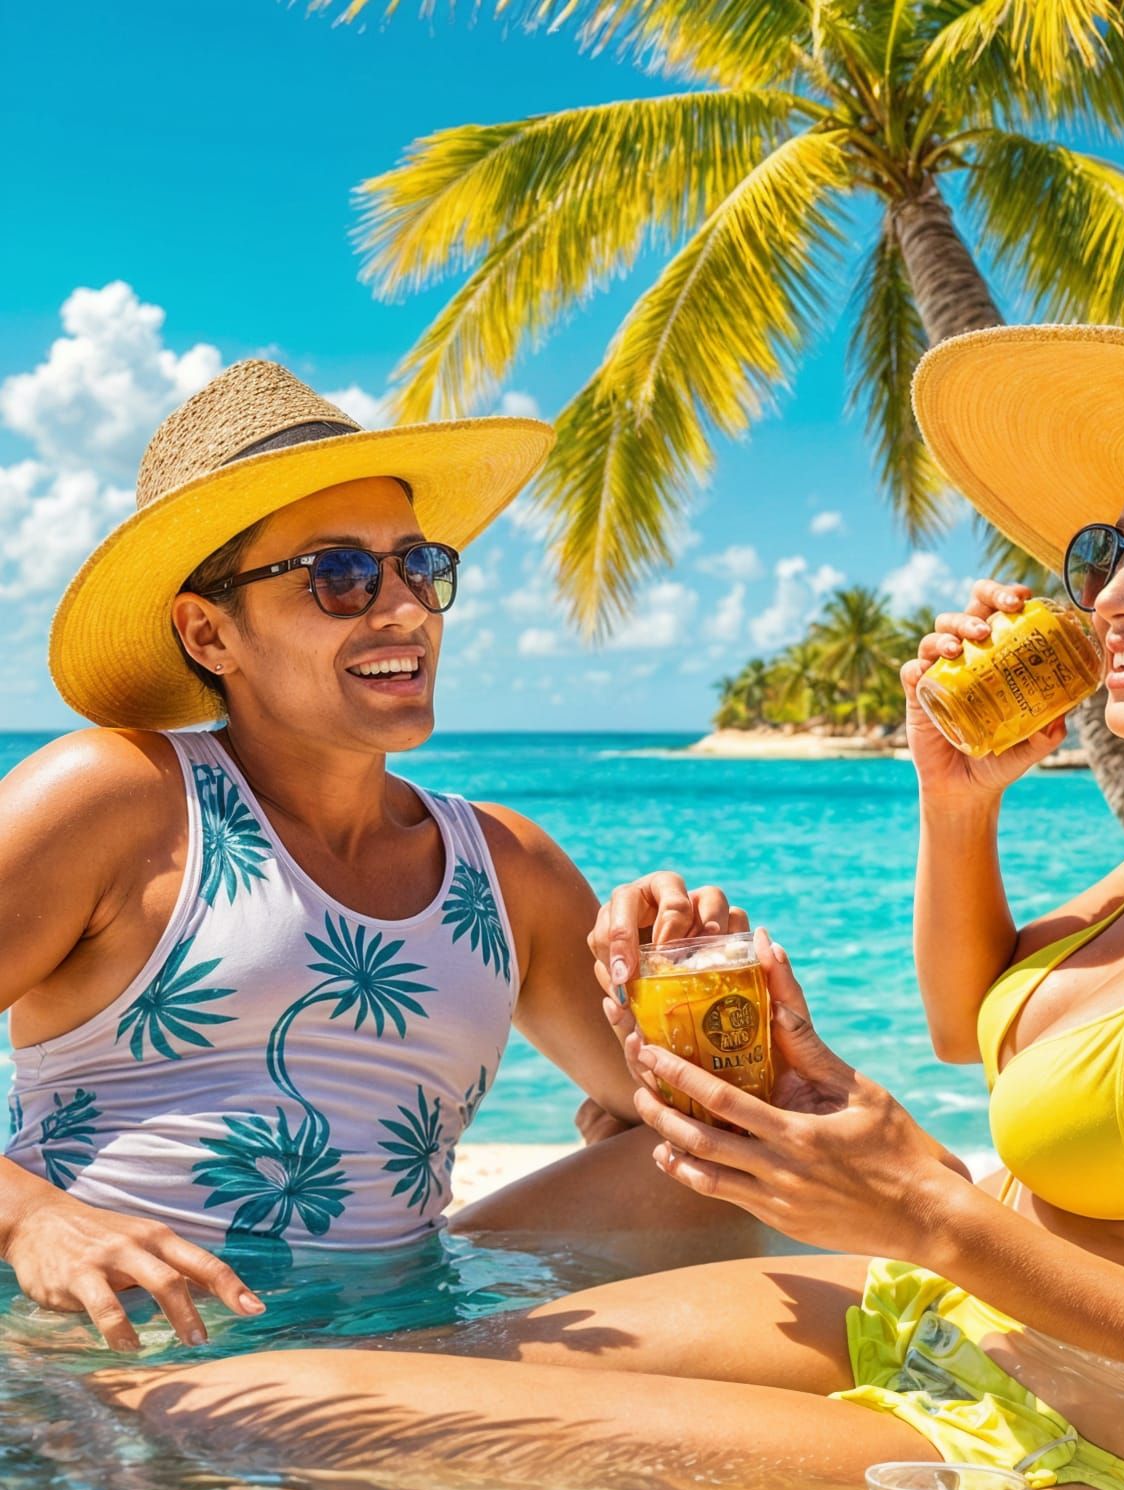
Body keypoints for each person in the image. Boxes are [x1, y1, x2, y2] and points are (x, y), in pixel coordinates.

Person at [98, 306, 1124, 1490]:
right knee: (336, 1375)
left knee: (258, 1418)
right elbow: (967, 1024)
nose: (1108, 595)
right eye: (1104, 549)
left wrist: (933, 1216)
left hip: (1058, 1457)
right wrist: (956, 802)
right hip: (938, 1329)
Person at [0, 360, 757, 1354]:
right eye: (340, 575)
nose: (404, 609)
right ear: (209, 632)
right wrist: (31, 1218)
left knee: (716, 1176)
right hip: (128, 1354)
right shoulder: (119, 799)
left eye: (420, 566)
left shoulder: (506, 868)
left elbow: (700, 1122)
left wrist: (683, 973)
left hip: (403, 1339)